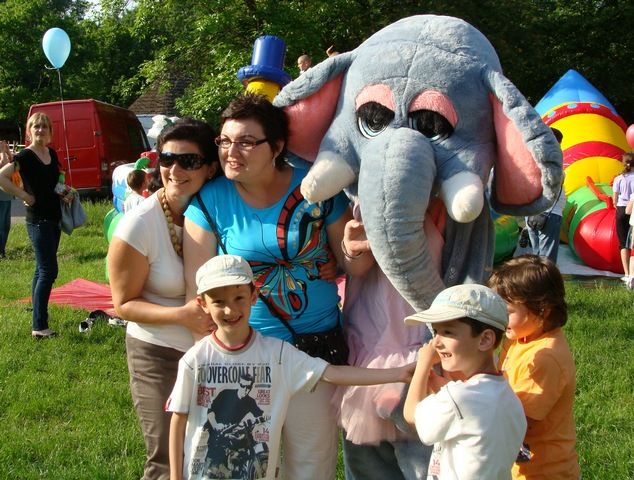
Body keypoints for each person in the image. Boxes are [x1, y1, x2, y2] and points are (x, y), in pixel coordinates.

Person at [183, 93, 373, 480]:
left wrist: (351, 252)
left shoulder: (316, 187)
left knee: (311, 465)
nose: (231, 151)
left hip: (314, 350)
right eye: (225, 141)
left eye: (246, 141)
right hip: (246, 358)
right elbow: (199, 296)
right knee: (247, 467)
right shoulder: (209, 202)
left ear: (277, 147)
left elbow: (354, 265)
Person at [168, 254, 415, 480]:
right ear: (202, 303)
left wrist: (397, 373)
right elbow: (179, 419)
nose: (230, 309)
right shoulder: (196, 359)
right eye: (218, 301)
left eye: (239, 298)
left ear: (254, 295)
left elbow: (332, 373)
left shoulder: (277, 354)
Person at [107, 118, 219, 480]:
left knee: (213, 455)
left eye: (189, 161)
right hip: (157, 353)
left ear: (210, 167)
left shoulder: (220, 209)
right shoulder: (138, 225)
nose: (175, 169)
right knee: (167, 460)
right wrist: (182, 316)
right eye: (168, 159)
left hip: (219, 352)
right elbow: (124, 304)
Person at [403, 283, 527, 479]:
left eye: (448, 332)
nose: (436, 342)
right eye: (435, 332)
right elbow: (466, 408)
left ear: (485, 339)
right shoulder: (508, 397)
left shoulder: (458, 399)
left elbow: (412, 416)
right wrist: (435, 383)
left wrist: (422, 364)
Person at [489, 255, 580, 479]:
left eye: (508, 311)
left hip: (544, 472)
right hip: (520, 468)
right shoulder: (520, 337)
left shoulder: (545, 358)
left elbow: (517, 422)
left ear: (543, 310)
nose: (499, 317)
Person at [0, 113, 62, 337]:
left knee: (40, 269)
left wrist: (65, 192)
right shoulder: (25, 156)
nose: (40, 130)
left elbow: (54, 181)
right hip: (37, 220)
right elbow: (1, 177)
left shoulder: (51, 153)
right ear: (29, 130)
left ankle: (38, 314)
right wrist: (23, 195)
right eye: (36, 126)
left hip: (54, 217)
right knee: (49, 270)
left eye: (44, 126)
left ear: (50, 131)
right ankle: (39, 327)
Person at [524, 128, 566, 263]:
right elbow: (553, 186)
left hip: (532, 212)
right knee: (546, 259)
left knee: (536, 258)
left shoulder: (533, 156)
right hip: (549, 213)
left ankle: (536, 276)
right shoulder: (552, 159)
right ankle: (544, 276)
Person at [612, 152, 634, 279]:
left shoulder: (618, 178)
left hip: (621, 209)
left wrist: (618, 206)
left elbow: (614, 200)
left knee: (623, 243)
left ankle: (626, 274)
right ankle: (632, 273)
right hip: (633, 210)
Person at [0, 141, 12, 258]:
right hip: (1, 197)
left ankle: (2, 250)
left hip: (6, 196)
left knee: (5, 226)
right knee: (2, 226)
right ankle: (1, 252)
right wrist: (3, 152)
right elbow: (3, 165)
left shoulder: (3, 154)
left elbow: (13, 164)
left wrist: (7, 151)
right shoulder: (1, 155)